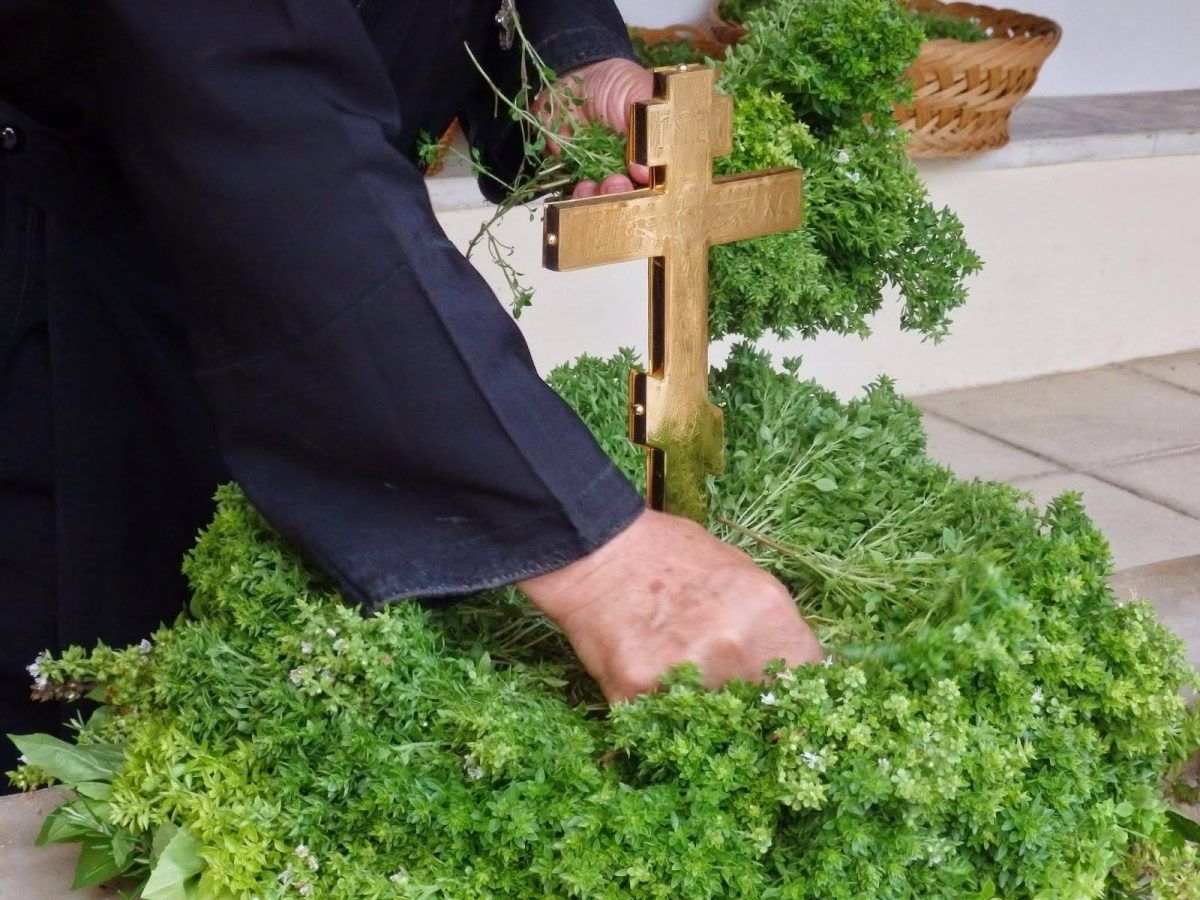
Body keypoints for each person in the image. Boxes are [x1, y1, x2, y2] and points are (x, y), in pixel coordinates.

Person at [0, 0, 821, 778]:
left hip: (327, 265)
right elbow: (252, 91)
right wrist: (603, 563)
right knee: (92, 720)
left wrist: (566, 55)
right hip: (86, 289)